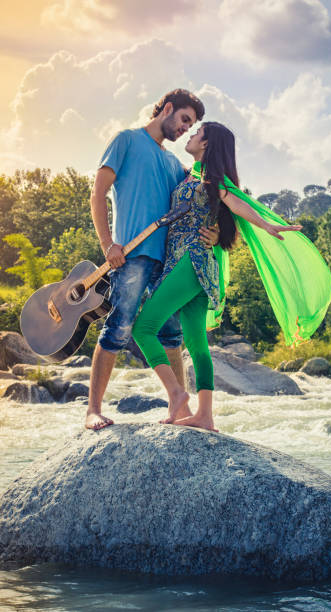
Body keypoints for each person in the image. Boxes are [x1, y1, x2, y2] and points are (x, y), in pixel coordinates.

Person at [131, 122, 303, 432]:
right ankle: (205, 416)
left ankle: (177, 394)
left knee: (144, 328)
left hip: (191, 262)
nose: (191, 134)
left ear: (207, 144)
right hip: (193, 266)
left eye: (196, 132)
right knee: (197, 345)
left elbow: (236, 203)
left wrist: (266, 225)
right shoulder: (191, 174)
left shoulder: (212, 179)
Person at [85, 89, 219, 431]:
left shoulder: (175, 164)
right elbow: (98, 191)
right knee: (119, 327)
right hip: (131, 255)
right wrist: (107, 244)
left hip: (170, 263)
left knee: (173, 335)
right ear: (168, 109)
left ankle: (180, 405)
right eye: (185, 120)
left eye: (192, 125)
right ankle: (93, 410)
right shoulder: (126, 140)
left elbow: (208, 195)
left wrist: (217, 233)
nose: (185, 129)